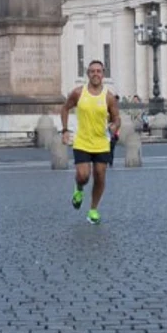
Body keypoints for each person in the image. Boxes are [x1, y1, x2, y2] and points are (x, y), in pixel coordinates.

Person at [59, 60, 121, 223]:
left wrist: (115, 126)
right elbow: (65, 108)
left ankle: (93, 210)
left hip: (101, 142)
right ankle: (79, 188)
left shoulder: (109, 97)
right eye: (92, 71)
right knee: (83, 175)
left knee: (100, 176)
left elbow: (116, 117)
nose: (95, 74)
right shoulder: (78, 93)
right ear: (87, 74)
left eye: (98, 71)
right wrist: (65, 130)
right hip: (83, 141)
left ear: (103, 74)